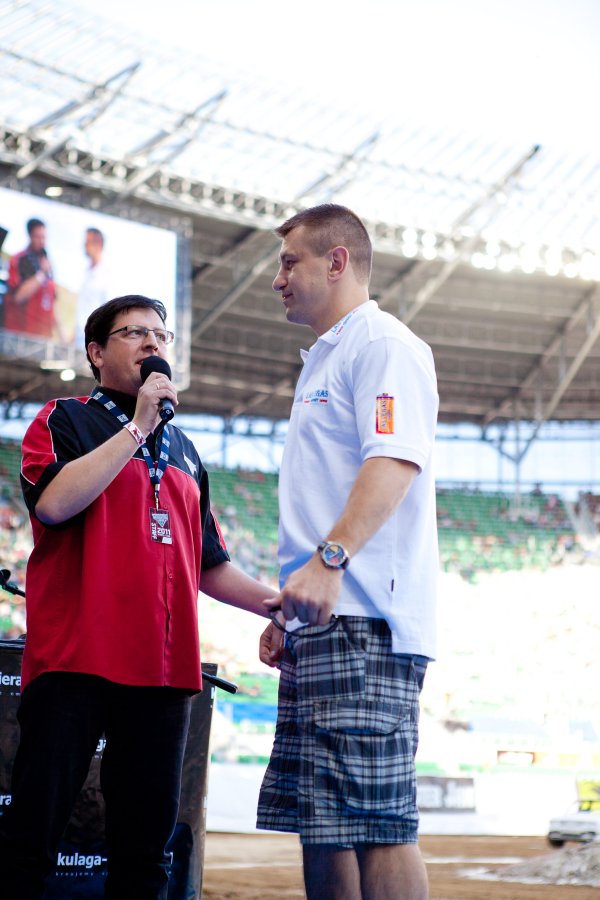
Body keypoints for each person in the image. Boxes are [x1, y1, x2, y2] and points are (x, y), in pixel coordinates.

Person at [0, 294, 278, 899]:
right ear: (97, 353)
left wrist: (279, 606)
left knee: (145, 854)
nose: (153, 343)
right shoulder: (63, 418)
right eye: (134, 333)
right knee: (31, 839)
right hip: (75, 662)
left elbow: (210, 565)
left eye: (160, 334)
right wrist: (137, 427)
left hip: (162, 673)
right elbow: (54, 503)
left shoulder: (187, 452)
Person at [257, 204, 439, 900]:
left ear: (337, 262)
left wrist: (329, 562)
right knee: (323, 824)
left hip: (366, 620)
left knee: (377, 823)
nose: (278, 278)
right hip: (324, 621)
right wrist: (291, 611)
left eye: (289, 261)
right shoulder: (325, 359)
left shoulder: (382, 345)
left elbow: (393, 461)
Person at [5, 218, 58, 338]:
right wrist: (41, 274)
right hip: (20, 333)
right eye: (38, 237)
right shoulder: (19, 260)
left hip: (42, 335)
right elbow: (18, 297)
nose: (42, 241)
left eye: (44, 237)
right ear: (30, 236)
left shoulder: (46, 261)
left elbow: (51, 301)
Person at [75, 227, 111, 349]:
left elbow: (109, 314)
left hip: (94, 342)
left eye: (87, 242)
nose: (84, 245)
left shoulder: (106, 276)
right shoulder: (87, 272)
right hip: (79, 341)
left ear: (98, 244)